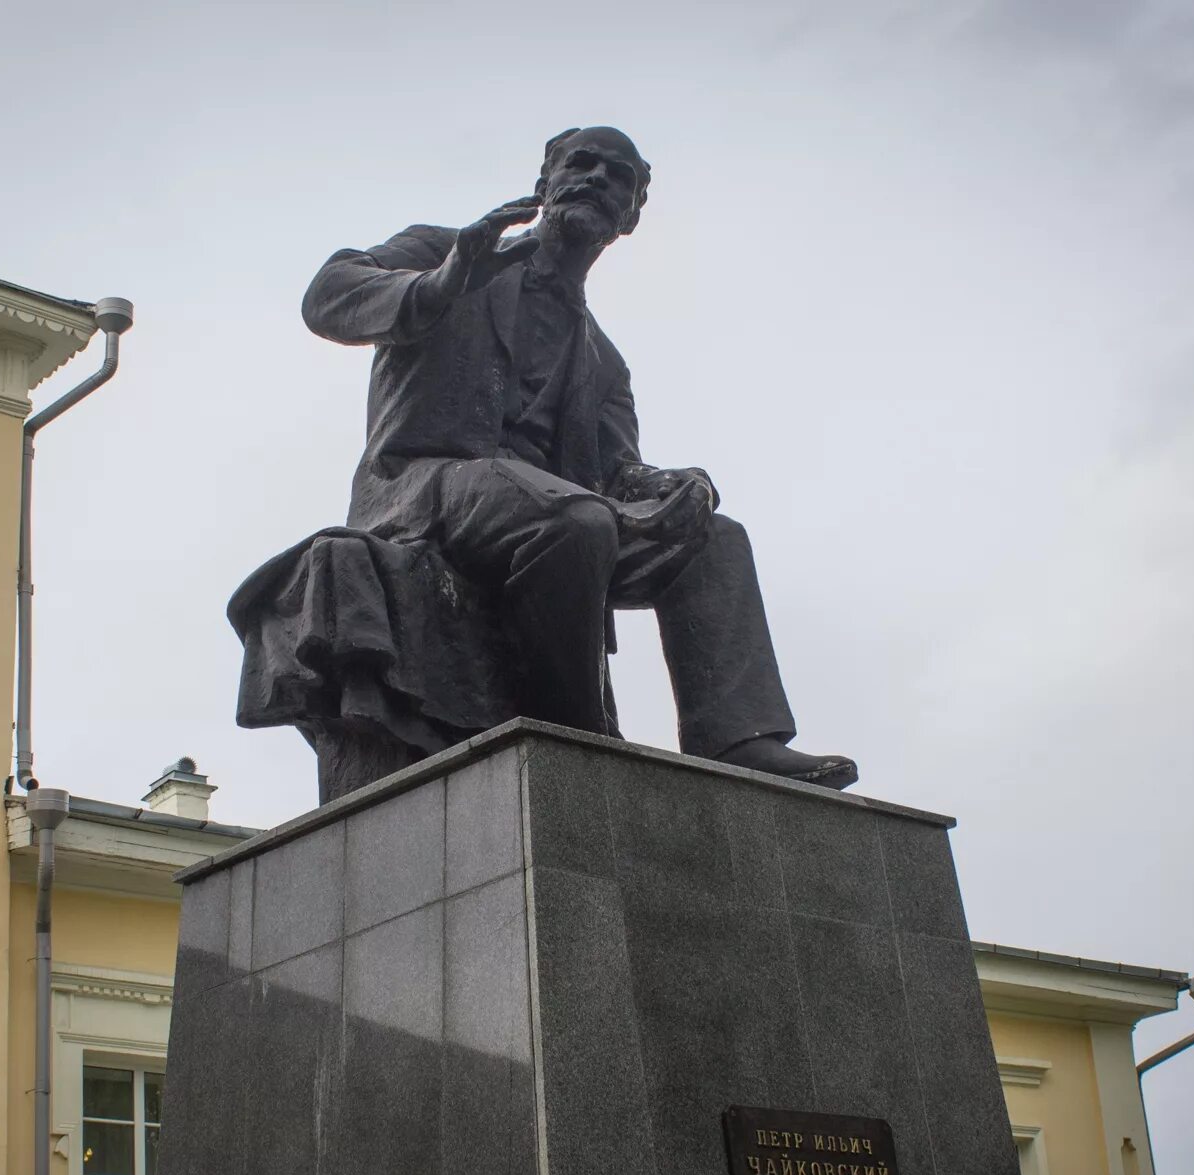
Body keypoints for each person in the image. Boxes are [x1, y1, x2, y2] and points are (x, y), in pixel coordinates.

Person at [299, 126, 856, 789]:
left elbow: (619, 472)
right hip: (425, 487)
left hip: (551, 512)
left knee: (712, 540)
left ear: (627, 218)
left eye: (616, 176)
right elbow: (327, 296)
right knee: (576, 519)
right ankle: (578, 738)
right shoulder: (445, 250)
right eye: (581, 164)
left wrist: (674, 487)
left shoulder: (604, 362)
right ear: (544, 187)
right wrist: (443, 282)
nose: (596, 178)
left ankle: (738, 740)